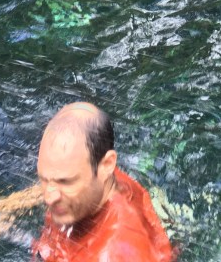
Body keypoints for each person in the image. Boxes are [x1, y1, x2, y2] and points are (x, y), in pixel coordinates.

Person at [33, 102, 174, 262]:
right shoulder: (90, 177)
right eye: (44, 179)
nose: (49, 198)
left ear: (107, 165)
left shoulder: (118, 253)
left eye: (65, 182)